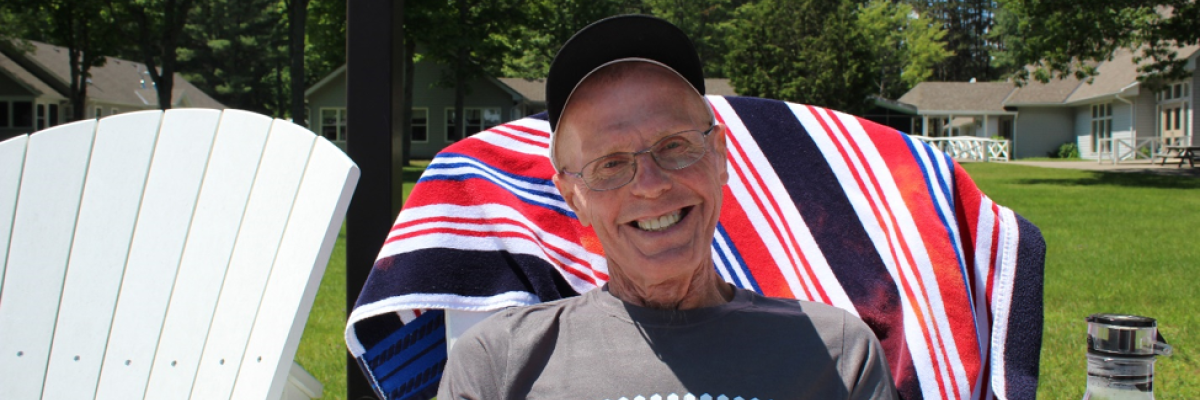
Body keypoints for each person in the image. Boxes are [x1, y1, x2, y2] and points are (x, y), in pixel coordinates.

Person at [437, 15, 898, 400]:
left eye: (674, 145)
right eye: (611, 163)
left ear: (718, 155)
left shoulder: (837, 355)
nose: (652, 185)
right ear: (573, 194)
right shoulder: (497, 364)